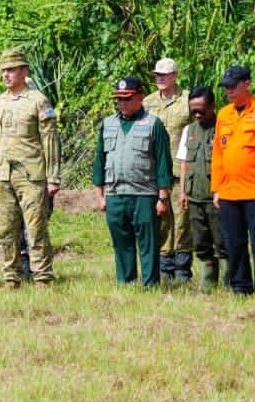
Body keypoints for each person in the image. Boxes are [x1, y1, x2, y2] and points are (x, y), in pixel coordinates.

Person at [0, 48, 61, 287]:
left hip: (31, 176)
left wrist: (53, 178)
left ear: (24, 71)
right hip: (3, 175)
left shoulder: (38, 101)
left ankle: (42, 279)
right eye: (3, 71)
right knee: (4, 230)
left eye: (11, 70)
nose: (6, 75)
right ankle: (11, 279)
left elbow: (50, 141)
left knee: (35, 230)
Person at [93, 76, 172, 287]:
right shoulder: (108, 124)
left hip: (144, 194)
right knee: (121, 243)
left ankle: (150, 285)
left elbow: (164, 163)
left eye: (127, 99)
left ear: (140, 97)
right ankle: (126, 283)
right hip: (115, 194)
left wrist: (163, 197)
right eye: (119, 99)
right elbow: (100, 161)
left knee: (149, 244)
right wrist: (100, 196)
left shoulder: (153, 124)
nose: (123, 104)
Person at [212, 65, 255, 297]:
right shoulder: (223, 114)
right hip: (229, 191)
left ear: (247, 84)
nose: (229, 91)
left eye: (233, 86)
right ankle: (240, 286)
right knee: (234, 242)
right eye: (226, 87)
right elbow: (218, 155)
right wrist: (216, 188)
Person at [144, 57, 193, 283]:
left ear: (175, 75)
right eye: (157, 75)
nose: (160, 79)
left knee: (183, 220)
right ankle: (165, 268)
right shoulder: (147, 103)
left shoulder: (189, 100)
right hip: (155, 172)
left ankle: (183, 268)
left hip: (182, 168)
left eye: (164, 75)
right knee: (162, 220)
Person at [176, 86, 225, 291]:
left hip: (216, 195)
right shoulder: (189, 130)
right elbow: (185, 163)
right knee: (200, 241)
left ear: (212, 106)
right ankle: (208, 284)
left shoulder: (222, 127)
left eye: (201, 110)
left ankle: (229, 279)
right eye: (193, 110)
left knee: (223, 241)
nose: (197, 114)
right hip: (195, 195)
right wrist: (182, 192)